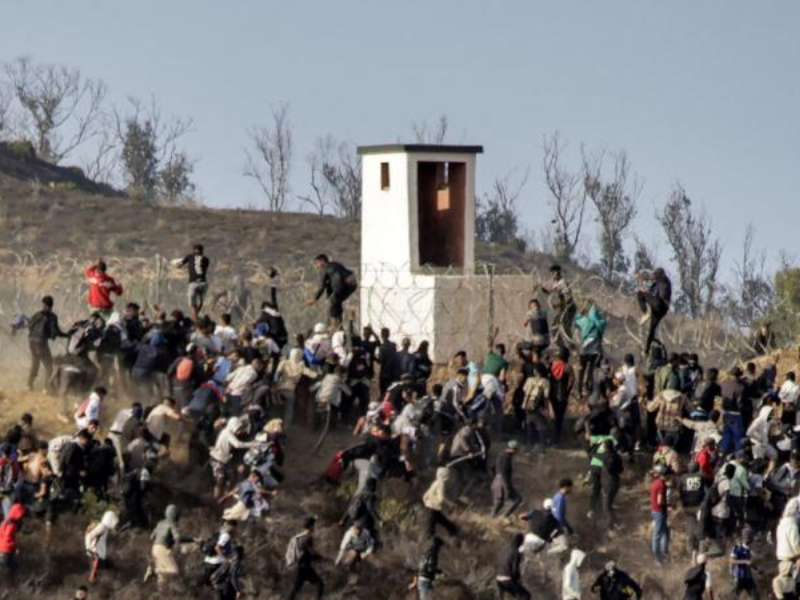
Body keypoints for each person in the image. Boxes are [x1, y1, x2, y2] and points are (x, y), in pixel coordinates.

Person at [146, 504, 193, 588]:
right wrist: (174, 549)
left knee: (162, 578)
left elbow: (151, 537)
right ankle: (154, 571)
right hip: (163, 548)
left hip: (154, 547)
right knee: (174, 571)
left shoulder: (160, 523)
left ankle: (162, 594)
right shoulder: (172, 524)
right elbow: (178, 538)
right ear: (176, 515)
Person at [27, 295, 67, 392]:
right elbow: (55, 332)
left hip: (32, 342)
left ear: (43, 304)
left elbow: (30, 326)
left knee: (35, 363)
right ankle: (47, 388)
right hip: (41, 343)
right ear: (51, 305)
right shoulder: (52, 317)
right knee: (49, 366)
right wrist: (67, 335)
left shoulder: (37, 314)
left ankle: (29, 385)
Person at [305, 254, 358, 329]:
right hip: (352, 282)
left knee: (333, 300)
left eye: (317, 263)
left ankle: (334, 325)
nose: (316, 266)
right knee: (336, 301)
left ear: (322, 261)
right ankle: (339, 324)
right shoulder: (335, 264)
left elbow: (321, 287)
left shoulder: (324, 269)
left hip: (343, 283)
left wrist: (314, 299)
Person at [287, 516, 324, 600]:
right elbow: (312, 552)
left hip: (300, 566)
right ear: (310, 526)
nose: (314, 527)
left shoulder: (300, 537)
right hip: (305, 567)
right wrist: (321, 558)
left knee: (295, 589)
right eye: (314, 525)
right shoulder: (308, 537)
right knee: (319, 584)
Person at [636, 267, 672, 354]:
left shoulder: (662, 279)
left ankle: (645, 313)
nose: (654, 277)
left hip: (660, 304)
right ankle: (647, 351)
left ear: (659, 274)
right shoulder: (661, 282)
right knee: (652, 329)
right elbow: (652, 288)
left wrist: (639, 275)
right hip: (663, 309)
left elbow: (649, 276)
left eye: (656, 275)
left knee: (639, 293)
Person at [540, 264, 576, 346]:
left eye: (554, 272)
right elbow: (552, 292)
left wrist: (558, 303)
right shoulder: (554, 282)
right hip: (563, 309)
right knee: (554, 329)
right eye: (552, 273)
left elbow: (568, 296)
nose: (553, 275)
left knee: (565, 328)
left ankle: (571, 347)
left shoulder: (562, 282)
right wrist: (545, 290)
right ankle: (562, 347)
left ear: (558, 272)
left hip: (569, 308)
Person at [174, 244, 210, 322]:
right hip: (203, 282)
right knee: (200, 301)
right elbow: (204, 268)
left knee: (193, 303)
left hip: (193, 282)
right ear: (202, 251)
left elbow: (179, 265)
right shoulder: (206, 259)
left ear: (194, 250)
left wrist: (176, 265)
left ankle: (195, 317)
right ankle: (195, 316)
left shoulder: (190, 256)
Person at [422, 467, 460, 538]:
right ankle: (454, 534)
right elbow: (441, 498)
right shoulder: (441, 483)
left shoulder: (435, 482)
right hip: (433, 509)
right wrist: (451, 504)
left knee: (444, 522)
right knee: (430, 530)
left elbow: (424, 496)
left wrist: (427, 504)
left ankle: (455, 532)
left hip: (430, 508)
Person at [85, 510, 120, 581]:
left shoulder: (104, 528)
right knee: (96, 576)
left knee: (99, 575)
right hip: (97, 556)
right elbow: (90, 536)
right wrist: (89, 549)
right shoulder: (102, 527)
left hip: (99, 555)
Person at [491, 440, 522, 517]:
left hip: (497, 480)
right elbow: (503, 473)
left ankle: (494, 517)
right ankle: (502, 517)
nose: (517, 452)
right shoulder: (506, 458)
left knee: (499, 501)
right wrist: (507, 488)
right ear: (513, 449)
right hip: (502, 481)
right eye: (516, 450)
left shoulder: (502, 454)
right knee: (517, 499)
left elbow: (493, 467)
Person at [495, 533, 530, 600]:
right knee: (526, 596)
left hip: (498, 580)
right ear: (520, 542)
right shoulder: (516, 552)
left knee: (517, 595)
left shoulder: (504, 549)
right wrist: (518, 579)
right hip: (507, 580)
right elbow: (515, 570)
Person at [729, 527, 758, 599]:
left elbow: (750, 562)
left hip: (748, 577)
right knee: (735, 596)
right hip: (739, 576)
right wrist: (745, 561)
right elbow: (732, 561)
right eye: (751, 537)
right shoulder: (737, 547)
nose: (752, 539)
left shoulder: (749, 549)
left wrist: (757, 569)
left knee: (755, 596)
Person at [650, 464, 670, 564]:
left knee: (665, 533)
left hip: (654, 511)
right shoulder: (661, 484)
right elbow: (660, 501)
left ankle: (663, 553)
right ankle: (658, 558)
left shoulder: (655, 483)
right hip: (659, 512)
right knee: (658, 534)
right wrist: (669, 504)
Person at [0, 503, 24, 574]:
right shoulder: (11, 525)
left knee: (9, 570)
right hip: (6, 552)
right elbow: (7, 539)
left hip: (2, 550)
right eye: (20, 516)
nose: (21, 518)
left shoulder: (5, 522)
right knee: (10, 571)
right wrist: (15, 547)